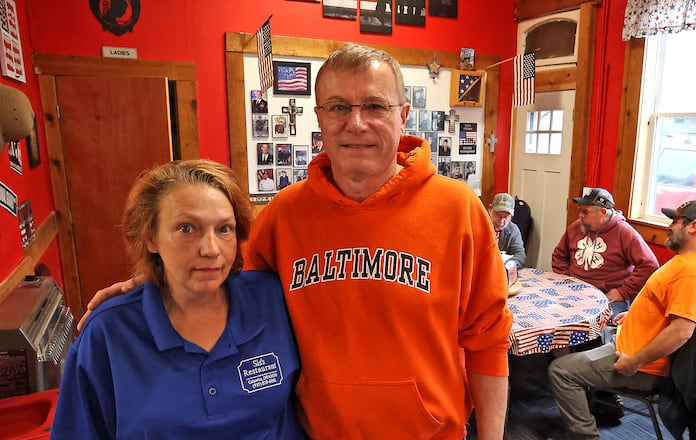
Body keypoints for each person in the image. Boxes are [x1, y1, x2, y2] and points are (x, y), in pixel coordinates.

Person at [82, 43, 513, 440]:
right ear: (320, 117)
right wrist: (151, 279)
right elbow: (215, 267)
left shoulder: (458, 208)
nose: (356, 122)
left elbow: (489, 342)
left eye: (375, 106)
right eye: (339, 106)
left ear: (402, 115)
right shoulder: (284, 214)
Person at [53, 160, 303, 438]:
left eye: (224, 229)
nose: (211, 249)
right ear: (150, 239)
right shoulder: (110, 333)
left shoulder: (275, 300)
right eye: (187, 229)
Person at [547, 200, 696, 440]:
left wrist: (635, 361)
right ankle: (602, 405)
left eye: (675, 221)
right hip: (626, 342)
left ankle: (584, 436)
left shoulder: (690, 273)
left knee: (560, 371)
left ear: (693, 226)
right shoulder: (689, 261)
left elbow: (682, 331)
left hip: (638, 362)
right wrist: (635, 314)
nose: (669, 227)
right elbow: (666, 308)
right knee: (585, 347)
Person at [552, 187, 659, 318]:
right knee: (552, 313)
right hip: (573, 289)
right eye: (580, 210)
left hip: (607, 294)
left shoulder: (625, 232)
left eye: (586, 212)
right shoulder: (577, 226)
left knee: (605, 325)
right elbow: (559, 255)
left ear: (603, 212)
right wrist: (565, 279)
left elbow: (649, 265)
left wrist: (624, 292)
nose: (580, 215)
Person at [488, 193, 526, 268]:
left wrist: (509, 265)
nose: (501, 221)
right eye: (498, 215)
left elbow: (520, 255)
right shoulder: (479, 225)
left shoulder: (513, 229)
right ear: (490, 209)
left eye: (506, 217)